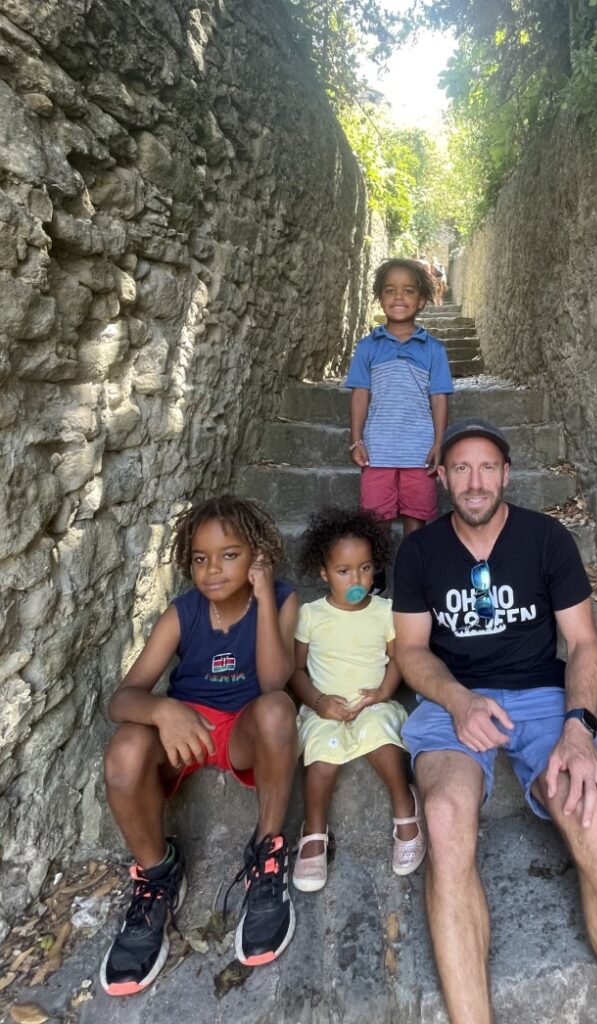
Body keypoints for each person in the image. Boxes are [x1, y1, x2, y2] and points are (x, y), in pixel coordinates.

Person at [392, 418, 597, 1024]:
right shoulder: (419, 552)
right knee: (442, 816)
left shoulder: (547, 540)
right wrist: (459, 701)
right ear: (441, 477)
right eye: (460, 468)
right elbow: (409, 651)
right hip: (453, 697)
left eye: (487, 467)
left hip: (542, 697)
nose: (475, 480)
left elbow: (585, 645)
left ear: (507, 474)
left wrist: (578, 729)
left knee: (590, 819)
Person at [100, 495, 299, 996]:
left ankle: (268, 854)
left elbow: (277, 680)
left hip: (243, 729)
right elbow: (121, 699)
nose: (212, 569)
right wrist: (162, 710)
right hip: (184, 731)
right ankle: (157, 873)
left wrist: (266, 595)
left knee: (278, 710)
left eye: (230, 555)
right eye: (200, 558)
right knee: (125, 749)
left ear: (256, 555)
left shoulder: (283, 598)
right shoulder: (182, 612)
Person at [290, 507, 426, 892]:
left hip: (373, 701)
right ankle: (314, 829)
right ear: (323, 572)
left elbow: (400, 656)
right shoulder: (311, 615)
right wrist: (318, 703)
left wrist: (383, 692)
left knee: (380, 735)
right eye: (344, 571)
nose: (356, 579)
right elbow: (295, 671)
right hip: (325, 706)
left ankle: (405, 808)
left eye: (365, 568)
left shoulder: (385, 611)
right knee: (321, 752)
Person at [345, 259, 454, 573]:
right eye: (390, 290)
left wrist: (438, 442)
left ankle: (412, 572)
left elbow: (439, 397)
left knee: (416, 515)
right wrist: (356, 441)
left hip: (419, 451)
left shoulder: (434, 350)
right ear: (380, 296)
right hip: (377, 451)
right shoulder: (368, 347)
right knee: (374, 518)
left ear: (421, 300)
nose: (398, 297)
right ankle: (374, 575)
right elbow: (360, 395)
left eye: (408, 291)